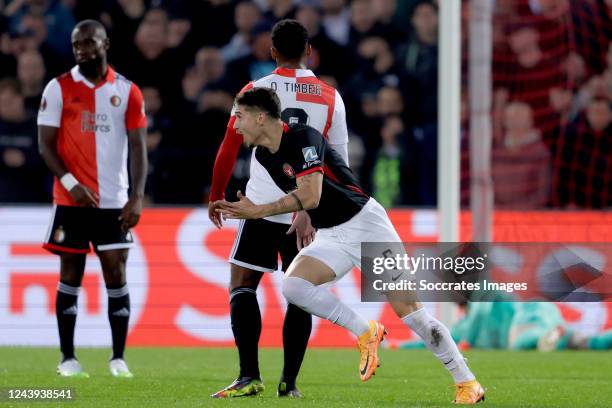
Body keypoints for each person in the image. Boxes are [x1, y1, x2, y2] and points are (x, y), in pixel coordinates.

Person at [216, 87, 485, 404]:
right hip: (331, 233)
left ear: (260, 117)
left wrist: (258, 211)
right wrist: (302, 215)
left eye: (240, 117)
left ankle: (467, 383)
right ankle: (365, 331)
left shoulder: (303, 137)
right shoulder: (263, 155)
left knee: (412, 315)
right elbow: (304, 197)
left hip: (366, 226)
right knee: (294, 285)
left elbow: (311, 194)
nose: (235, 125)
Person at [208, 19, 350, 398]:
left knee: (242, 285)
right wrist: (310, 210)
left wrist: (216, 194)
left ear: (271, 51)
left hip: (259, 205)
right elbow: (339, 165)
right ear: (309, 52)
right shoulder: (329, 96)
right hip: (305, 213)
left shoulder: (255, 90)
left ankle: (249, 376)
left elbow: (229, 145)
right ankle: (289, 384)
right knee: (300, 291)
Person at [37, 20, 147, 378]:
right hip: (70, 201)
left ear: (105, 43)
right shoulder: (58, 88)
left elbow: (138, 147)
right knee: (70, 273)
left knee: (116, 272)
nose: (81, 49)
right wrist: (70, 183)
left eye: (88, 42)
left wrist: (136, 196)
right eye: (76, 44)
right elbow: (45, 145)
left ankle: (118, 358)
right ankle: (67, 358)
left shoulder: (127, 90)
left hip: (114, 200)